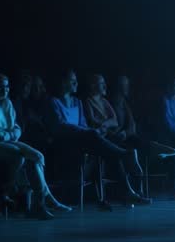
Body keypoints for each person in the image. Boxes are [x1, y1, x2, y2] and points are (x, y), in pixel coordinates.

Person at [48, 70, 150, 207]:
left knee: (107, 151)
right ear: (63, 82)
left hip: (82, 139)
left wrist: (86, 131)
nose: (76, 83)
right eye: (72, 80)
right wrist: (86, 131)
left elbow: (83, 124)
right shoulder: (53, 102)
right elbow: (60, 126)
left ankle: (126, 191)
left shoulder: (77, 102)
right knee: (96, 137)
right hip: (65, 142)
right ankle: (123, 156)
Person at [0, 73, 70, 219]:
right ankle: (38, 201)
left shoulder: (7, 103)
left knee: (37, 156)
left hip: (9, 140)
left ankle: (44, 200)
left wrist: (10, 134)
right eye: (1, 87)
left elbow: (16, 127)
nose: (5, 90)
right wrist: (10, 134)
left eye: (7, 87)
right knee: (19, 155)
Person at [84, 73, 175, 201]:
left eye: (127, 84)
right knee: (128, 152)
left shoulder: (120, 104)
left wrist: (118, 130)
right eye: (125, 85)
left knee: (158, 149)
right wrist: (112, 129)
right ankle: (135, 190)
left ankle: (159, 155)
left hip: (126, 137)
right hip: (114, 140)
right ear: (118, 87)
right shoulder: (100, 102)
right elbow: (96, 125)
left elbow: (123, 124)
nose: (128, 88)